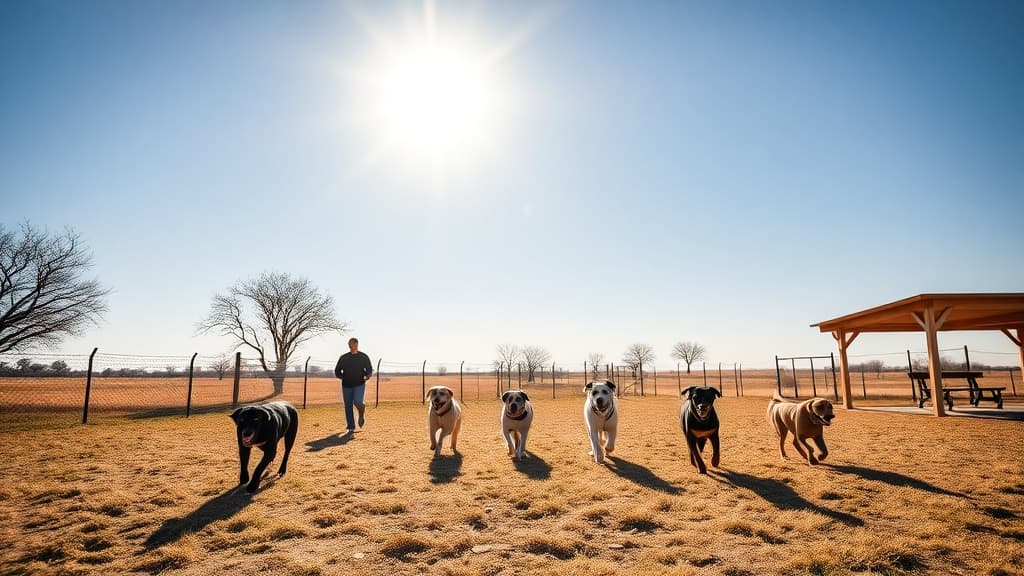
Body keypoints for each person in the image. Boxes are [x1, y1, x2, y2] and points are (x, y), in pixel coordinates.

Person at [334, 337, 373, 433]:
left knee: (358, 401)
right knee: (348, 406)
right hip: (346, 385)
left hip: (359, 384)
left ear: (357, 344)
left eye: (353, 344)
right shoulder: (343, 357)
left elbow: (369, 369)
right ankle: (351, 426)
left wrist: (367, 376)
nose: (351, 346)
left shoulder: (363, 357)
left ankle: (361, 412)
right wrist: (342, 376)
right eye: (350, 345)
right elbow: (337, 370)